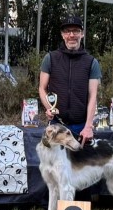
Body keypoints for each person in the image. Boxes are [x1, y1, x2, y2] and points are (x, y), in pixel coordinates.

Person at [39, 15, 101, 145]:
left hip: (81, 127)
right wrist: (49, 108)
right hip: (57, 126)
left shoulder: (91, 62)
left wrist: (88, 126)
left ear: (82, 34)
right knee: (55, 159)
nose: (71, 35)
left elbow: (93, 95)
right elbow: (42, 88)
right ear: (62, 35)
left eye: (76, 31)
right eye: (67, 31)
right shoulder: (50, 58)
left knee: (81, 158)